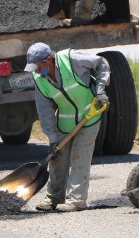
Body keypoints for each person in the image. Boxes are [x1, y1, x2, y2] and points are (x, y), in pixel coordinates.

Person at [24, 42, 110, 212]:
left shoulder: (71, 59)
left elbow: (101, 63)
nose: (36, 71)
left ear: (48, 59)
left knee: (80, 157)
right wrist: (52, 138)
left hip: (90, 115)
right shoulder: (39, 79)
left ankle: (76, 200)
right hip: (65, 121)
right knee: (57, 158)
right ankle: (54, 198)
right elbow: (44, 110)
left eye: (38, 66)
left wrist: (100, 90)